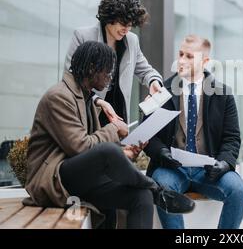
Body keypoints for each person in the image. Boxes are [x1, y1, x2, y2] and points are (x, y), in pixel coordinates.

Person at [24, 41, 194, 229]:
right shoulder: (59, 96)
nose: (111, 77)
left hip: (79, 177)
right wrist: (114, 128)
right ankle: (157, 191)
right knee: (109, 150)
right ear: (91, 68)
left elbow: (91, 150)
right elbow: (80, 147)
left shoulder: (86, 97)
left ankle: (151, 192)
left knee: (141, 196)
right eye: (108, 71)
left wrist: (126, 152)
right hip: (53, 180)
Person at [144, 35, 243, 229]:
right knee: (163, 187)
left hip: (208, 172)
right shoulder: (162, 90)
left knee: (239, 191)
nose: (182, 60)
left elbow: (232, 137)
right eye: (181, 54)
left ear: (205, 61)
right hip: (172, 169)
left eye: (189, 56)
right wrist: (161, 153)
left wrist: (224, 163)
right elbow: (148, 135)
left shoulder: (223, 94)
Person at [64, 0, 163, 126]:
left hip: (119, 116)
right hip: (89, 111)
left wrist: (154, 82)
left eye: (130, 25)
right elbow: (71, 78)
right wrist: (97, 101)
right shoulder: (83, 36)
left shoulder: (132, 41)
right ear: (110, 17)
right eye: (123, 24)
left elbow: (146, 71)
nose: (126, 30)